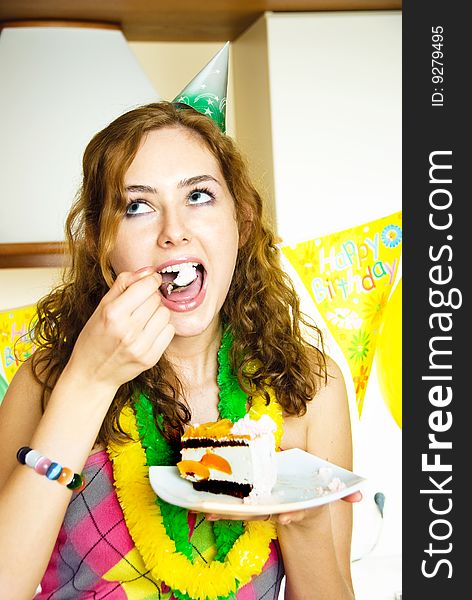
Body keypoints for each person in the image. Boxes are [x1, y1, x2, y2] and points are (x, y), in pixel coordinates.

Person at [0, 100, 360, 600]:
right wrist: (89, 381)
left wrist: (305, 517)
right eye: (137, 206)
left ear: (244, 219)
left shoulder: (310, 386)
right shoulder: (47, 379)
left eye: (199, 195)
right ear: (102, 243)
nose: (173, 232)